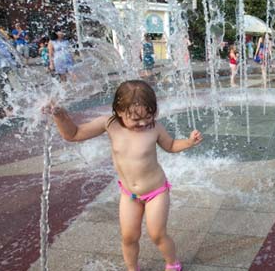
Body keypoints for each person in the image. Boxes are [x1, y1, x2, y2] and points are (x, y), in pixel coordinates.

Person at [44, 80, 202, 271]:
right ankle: (132, 268)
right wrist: (59, 115)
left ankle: (172, 263)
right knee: (128, 236)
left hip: (156, 192)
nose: (143, 123)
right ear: (119, 111)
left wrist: (188, 142)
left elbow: (170, 145)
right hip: (129, 194)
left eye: (148, 116)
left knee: (157, 234)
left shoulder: (155, 128)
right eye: (135, 119)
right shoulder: (109, 124)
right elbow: (74, 134)